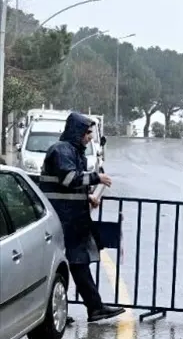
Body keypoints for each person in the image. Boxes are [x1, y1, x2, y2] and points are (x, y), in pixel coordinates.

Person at [36, 112, 125, 323]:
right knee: (60, 266)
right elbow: (68, 179)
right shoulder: (60, 150)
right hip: (59, 220)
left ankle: (93, 307)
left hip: (72, 220)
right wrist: (96, 177)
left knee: (78, 263)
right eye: (87, 133)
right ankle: (55, 313)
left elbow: (69, 186)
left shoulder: (73, 151)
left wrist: (88, 198)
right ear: (76, 132)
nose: (90, 137)